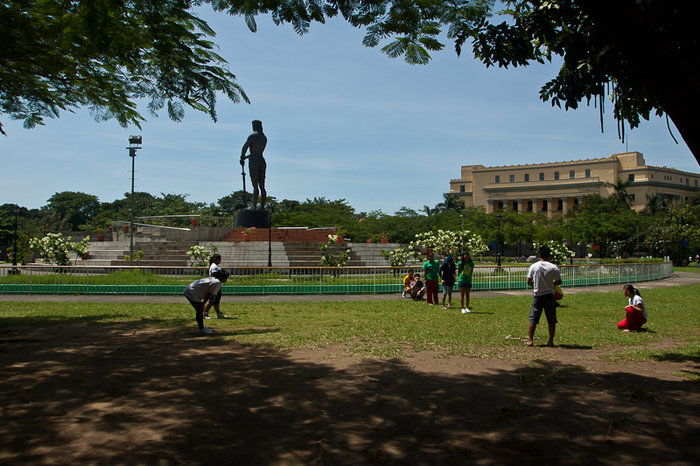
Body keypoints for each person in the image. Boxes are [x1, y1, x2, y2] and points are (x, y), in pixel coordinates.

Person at [526, 245, 562, 347]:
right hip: (550, 295)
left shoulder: (534, 266)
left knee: (533, 318)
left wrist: (535, 285)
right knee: (551, 319)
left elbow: (529, 281)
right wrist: (552, 285)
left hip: (537, 294)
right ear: (549, 255)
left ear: (539, 255)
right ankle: (550, 341)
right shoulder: (553, 267)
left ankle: (530, 340)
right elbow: (559, 281)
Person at [184, 269, 230, 335]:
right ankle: (201, 329)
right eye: (225, 278)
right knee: (200, 310)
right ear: (220, 277)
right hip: (191, 292)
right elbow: (209, 294)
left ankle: (201, 328)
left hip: (191, 290)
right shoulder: (216, 282)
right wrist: (203, 304)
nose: (226, 279)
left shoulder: (214, 280)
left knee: (200, 310)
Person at [240, 120, 268, 209]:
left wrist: (242, 157)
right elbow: (257, 152)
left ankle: (254, 204)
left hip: (254, 161)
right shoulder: (264, 137)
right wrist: (245, 157)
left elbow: (245, 147)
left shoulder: (253, 136)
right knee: (262, 185)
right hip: (261, 160)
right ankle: (262, 205)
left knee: (255, 183)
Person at [203, 254, 228, 319]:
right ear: (215, 259)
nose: (220, 261)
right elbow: (215, 275)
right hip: (215, 286)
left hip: (217, 285)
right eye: (219, 259)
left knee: (216, 301)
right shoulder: (214, 266)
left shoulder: (215, 266)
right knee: (211, 301)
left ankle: (218, 313)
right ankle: (205, 313)